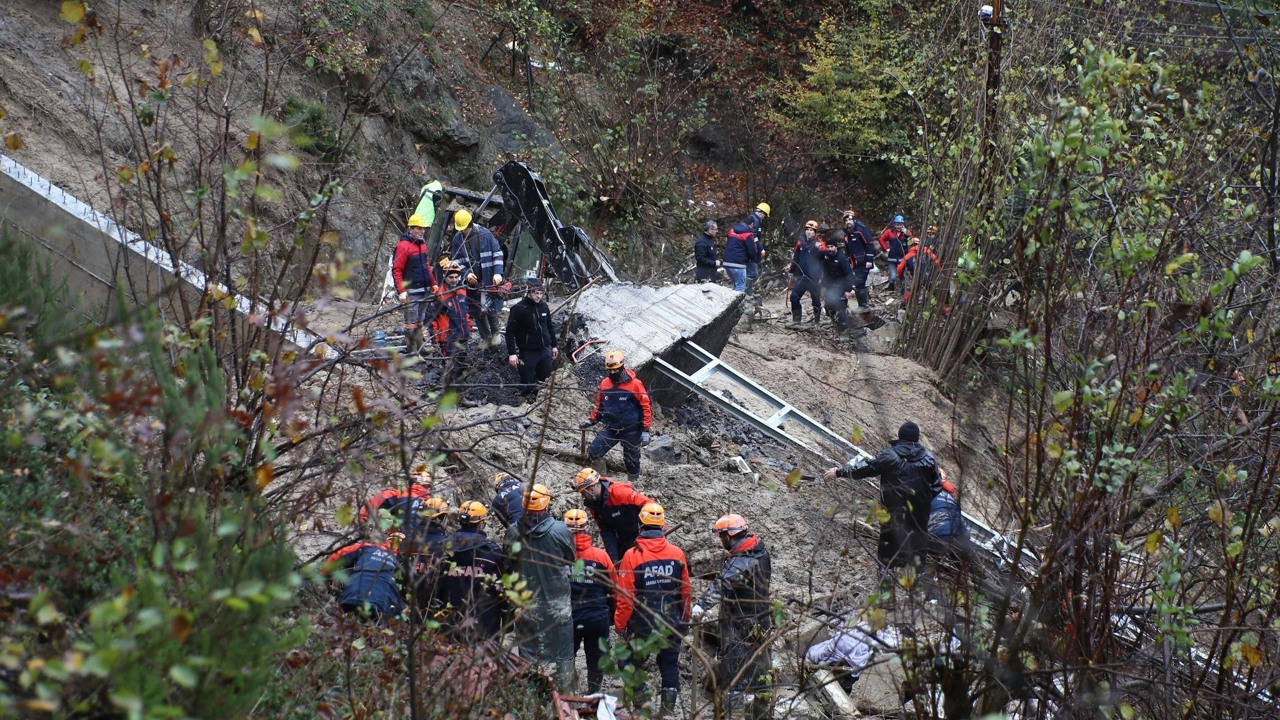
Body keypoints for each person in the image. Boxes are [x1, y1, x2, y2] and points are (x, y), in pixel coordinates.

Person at [822, 422, 942, 570]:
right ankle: (917, 585)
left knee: (888, 549)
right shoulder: (929, 459)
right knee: (917, 550)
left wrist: (840, 472)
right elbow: (937, 485)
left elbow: (866, 468)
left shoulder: (889, 455)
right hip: (919, 516)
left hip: (893, 511)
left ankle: (886, 581)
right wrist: (923, 502)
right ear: (917, 438)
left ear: (900, 436)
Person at [615, 503, 691, 718]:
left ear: (640, 526)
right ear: (663, 526)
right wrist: (685, 618)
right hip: (671, 621)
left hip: (643, 624)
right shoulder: (677, 553)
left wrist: (620, 625)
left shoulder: (632, 555)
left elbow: (625, 597)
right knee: (669, 663)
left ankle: (644, 703)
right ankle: (667, 712)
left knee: (627, 662)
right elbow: (685, 591)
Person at [693, 514, 773, 707]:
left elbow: (722, 585)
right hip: (761, 614)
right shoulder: (760, 551)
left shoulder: (742, 562)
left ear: (729, 535)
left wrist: (701, 605)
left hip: (740, 619)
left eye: (721, 536)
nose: (721, 540)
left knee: (735, 659)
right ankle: (762, 696)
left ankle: (735, 702)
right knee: (761, 657)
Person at [511, 484, 577, 691]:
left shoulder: (513, 532)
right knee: (564, 655)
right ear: (546, 503)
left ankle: (530, 700)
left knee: (528, 655)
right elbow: (571, 560)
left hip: (528, 605)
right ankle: (567, 700)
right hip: (558, 605)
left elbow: (510, 565)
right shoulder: (561, 530)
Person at [564, 508, 618, 694]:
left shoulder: (557, 556)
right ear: (587, 529)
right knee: (596, 659)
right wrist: (612, 614)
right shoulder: (601, 556)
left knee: (566, 657)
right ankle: (593, 694)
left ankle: (568, 696)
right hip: (597, 617)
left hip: (570, 617)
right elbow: (614, 588)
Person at [441, 501, 509, 641]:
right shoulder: (492, 553)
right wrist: (507, 617)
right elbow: (503, 589)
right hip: (485, 625)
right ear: (481, 523)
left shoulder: (443, 549)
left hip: (450, 623)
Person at [580, 350, 652, 481]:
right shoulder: (605, 384)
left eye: (616, 370)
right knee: (595, 451)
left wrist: (646, 430)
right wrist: (591, 420)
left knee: (631, 460)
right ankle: (602, 481)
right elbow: (600, 405)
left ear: (622, 367)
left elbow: (645, 406)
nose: (613, 373)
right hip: (611, 428)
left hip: (631, 429)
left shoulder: (635, 384)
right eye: (610, 370)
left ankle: (634, 483)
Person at [570, 467, 654, 563]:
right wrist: (613, 558)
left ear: (591, 489)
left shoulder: (621, 492)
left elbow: (650, 505)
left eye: (583, 493)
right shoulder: (594, 505)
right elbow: (606, 532)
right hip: (621, 537)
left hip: (641, 534)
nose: (583, 496)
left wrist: (656, 531)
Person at [450, 209, 504, 346]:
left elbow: (497, 253)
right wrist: (467, 274)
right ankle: (486, 337)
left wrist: (497, 273)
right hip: (472, 282)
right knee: (476, 309)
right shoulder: (458, 239)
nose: (463, 231)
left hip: (487, 276)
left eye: (465, 229)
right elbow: (457, 261)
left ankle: (496, 333)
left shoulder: (485, 234)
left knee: (491, 306)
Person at [504, 278, 559, 401]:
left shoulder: (544, 306)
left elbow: (550, 326)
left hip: (545, 349)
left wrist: (554, 345)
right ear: (529, 291)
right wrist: (512, 353)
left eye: (541, 293)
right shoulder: (518, 309)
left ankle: (541, 402)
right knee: (526, 382)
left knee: (545, 380)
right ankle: (523, 403)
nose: (539, 296)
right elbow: (510, 332)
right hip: (528, 351)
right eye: (536, 293)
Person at [325, 536, 404, 621]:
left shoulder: (366, 547)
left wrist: (323, 575)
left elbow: (337, 555)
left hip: (351, 597)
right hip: (381, 606)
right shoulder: (405, 561)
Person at [392, 214, 439, 355]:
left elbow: (427, 266)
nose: (422, 231)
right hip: (411, 291)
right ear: (410, 229)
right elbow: (397, 270)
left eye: (423, 228)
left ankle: (420, 348)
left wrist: (433, 283)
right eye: (418, 228)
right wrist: (401, 291)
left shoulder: (422, 245)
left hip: (424, 289)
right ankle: (412, 352)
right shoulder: (403, 246)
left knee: (420, 321)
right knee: (410, 323)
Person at [404, 497, 452, 617]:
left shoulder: (406, 541)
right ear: (442, 518)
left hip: (404, 603)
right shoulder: (444, 546)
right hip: (430, 607)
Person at [432, 261, 471, 386]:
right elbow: (431, 319)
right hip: (449, 338)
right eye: (451, 277)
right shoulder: (439, 295)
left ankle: (460, 398)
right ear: (445, 277)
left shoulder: (462, 291)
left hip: (463, 336)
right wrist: (435, 340)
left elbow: (466, 312)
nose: (454, 280)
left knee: (462, 369)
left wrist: (468, 328)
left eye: (456, 277)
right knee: (450, 370)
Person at [788, 220, 825, 326]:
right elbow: (795, 257)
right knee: (794, 297)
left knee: (816, 301)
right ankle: (796, 321)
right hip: (801, 276)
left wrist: (822, 277)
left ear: (815, 232)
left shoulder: (820, 244)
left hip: (814, 278)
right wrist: (791, 271)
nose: (809, 232)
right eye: (807, 230)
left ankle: (817, 322)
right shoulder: (800, 242)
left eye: (811, 230)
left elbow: (824, 261)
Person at [818, 234, 854, 332]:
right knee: (829, 308)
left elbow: (849, 275)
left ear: (836, 247)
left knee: (841, 309)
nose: (830, 249)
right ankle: (836, 326)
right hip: (829, 287)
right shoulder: (825, 257)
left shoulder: (842, 259)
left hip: (841, 287)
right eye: (828, 247)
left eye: (832, 247)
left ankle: (844, 332)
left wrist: (848, 290)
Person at [842, 210, 875, 311]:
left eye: (850, 219)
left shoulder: (861, 230)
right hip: (854, 262)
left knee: (859, 282)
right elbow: (848, 249)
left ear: (854, 220)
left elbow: (869, 244)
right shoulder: (847, 234)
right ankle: (864, 303)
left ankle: (863, 305)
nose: (848, 222)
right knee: (859, 282)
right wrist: (847, 260)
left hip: (863, 261)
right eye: (846, 220)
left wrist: (869, 259)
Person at [898, 235, 941, 304]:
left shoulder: (907, 256)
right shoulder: (928, 251)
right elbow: (936, 261)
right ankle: (942, 308)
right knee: (933, 291)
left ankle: (905, 305)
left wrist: (901, 276)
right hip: (927, 276)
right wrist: (938, 270)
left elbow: (900, 268)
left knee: (910, 290)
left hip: (915, 277)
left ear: (910, 245)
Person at [742, 203, 769, 307]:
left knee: (750, 272)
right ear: (761, 213)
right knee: (752, 272)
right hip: (751, 251)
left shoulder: (751, 218)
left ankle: (748, 292)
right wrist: (760, 248)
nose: (764, 217)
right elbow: (754, 237)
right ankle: (747, 293)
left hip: (748, 250)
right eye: (765, 215)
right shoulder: (755, 221)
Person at [877, 215, 913, 292]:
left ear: (903, 224)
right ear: (894, 224)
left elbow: (911, 241)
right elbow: (881, 239)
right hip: (892, 257)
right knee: (893, 276)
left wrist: (906, 234)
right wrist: (886, 248)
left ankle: (903, 289)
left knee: (902, 275)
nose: (899, 226)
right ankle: (891, 287)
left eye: (900, 224)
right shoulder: (889, 232)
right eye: (897, 224)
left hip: (903, 258)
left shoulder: (907, 232)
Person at [722, 219, 755, 293]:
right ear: (752, 224)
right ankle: (738, 304)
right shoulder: (748, 234)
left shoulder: (731, 230)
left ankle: (731, 303)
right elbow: (752, 250)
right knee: (740, 287)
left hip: (727, 262)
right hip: (738, 263)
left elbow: (727, 242)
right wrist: (751, 259)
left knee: (735, 285)